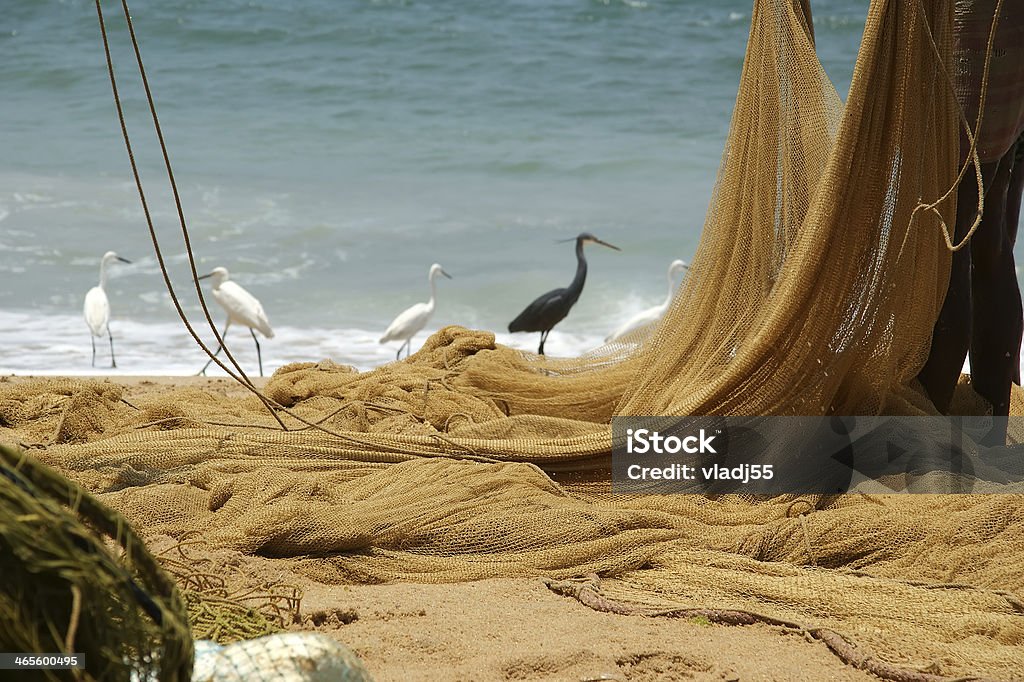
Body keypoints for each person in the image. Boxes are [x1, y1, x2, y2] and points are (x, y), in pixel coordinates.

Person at [917, 0, 1024, 444]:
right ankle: (990, 426)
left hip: (981, 47)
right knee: (993, 243)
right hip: (1014, 50)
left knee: (951, 250)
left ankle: (928, 432)